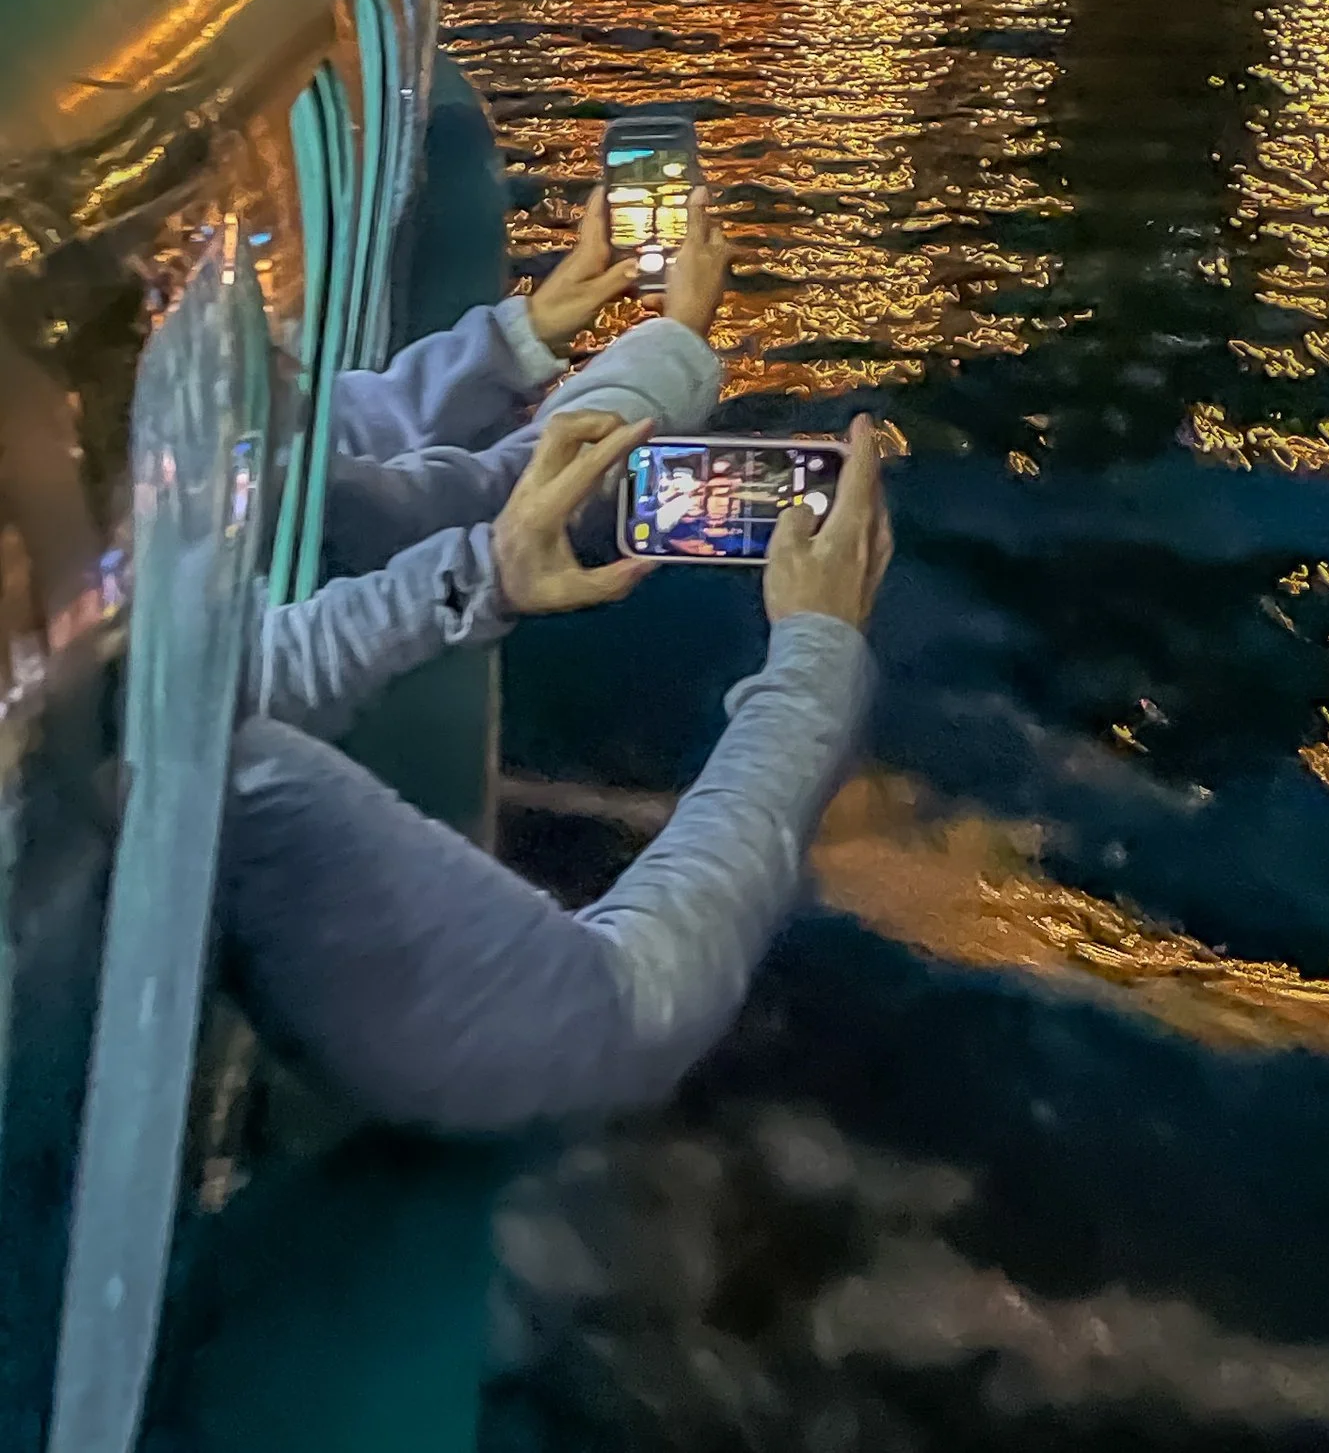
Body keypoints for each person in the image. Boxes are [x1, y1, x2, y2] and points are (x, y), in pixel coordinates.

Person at [219, 397, 892, 1133]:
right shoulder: (237, 787)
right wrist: (814, 667)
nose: (284, 366)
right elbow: (624, 1014)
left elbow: (232, 677)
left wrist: (490, 569)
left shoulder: (135, 703)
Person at [320, 190, 728, 574]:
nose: (289, 364)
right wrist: (677, 336)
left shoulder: (280, 446)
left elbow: (350, 423)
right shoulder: (312, 508)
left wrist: (518, 337)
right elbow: (508, 499)